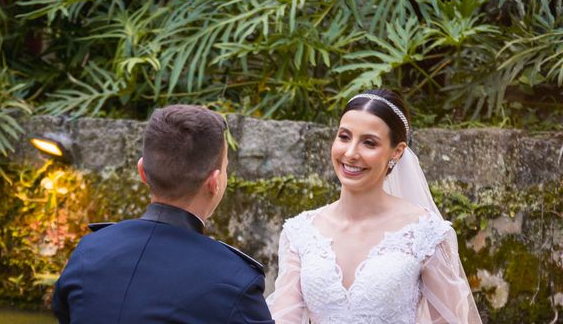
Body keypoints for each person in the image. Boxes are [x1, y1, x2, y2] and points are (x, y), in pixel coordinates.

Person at [267, 90, 482, 323]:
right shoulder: (301, 233)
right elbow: (284, 318)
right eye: (344, 137)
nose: (350, 153)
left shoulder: (425, 234)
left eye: (369, 143)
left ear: (397, 151)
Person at [52, 104, 274, 324]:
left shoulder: (90, 250)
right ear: (214, 182)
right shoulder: (234, 280)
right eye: (225, 168)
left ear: (142, 171)